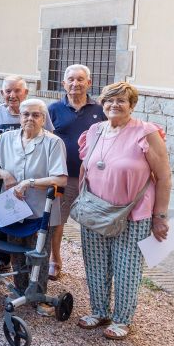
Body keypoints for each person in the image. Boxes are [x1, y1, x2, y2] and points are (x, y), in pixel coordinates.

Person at [76, 82, 170, 341]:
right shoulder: (94, 130)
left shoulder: (145, 133)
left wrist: (160, 216)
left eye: (121, 101)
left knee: (126, 267)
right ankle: (99, 310)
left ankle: (122, 319)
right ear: (102, 104)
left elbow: (163, 176)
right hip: (95, 210)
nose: (114, 105)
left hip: (133, 212)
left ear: (132, 105)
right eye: (109, 100)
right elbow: (86, 167)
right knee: (95, 264)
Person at [0, 99, 68, 314]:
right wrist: (4, 174)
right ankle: (21, 290)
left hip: (41, 209)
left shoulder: (53, 142)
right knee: (17, 251)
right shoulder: (6, 138)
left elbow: (60, 179)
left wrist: (30, 183)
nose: (30, 119)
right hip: (14, 207)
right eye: (26, 115)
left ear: (43, 118)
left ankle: (38, 296)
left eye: (35, 115)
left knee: (37, 253)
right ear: (19, 117)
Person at [0, 75, 54, 270]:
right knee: (5, 213)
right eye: (8, 91)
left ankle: (29, 258)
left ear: (25, 93)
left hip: (33, 175)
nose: (12, 95)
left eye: (17, 91)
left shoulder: (36, 111)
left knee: (31, 217)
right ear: (2, 93)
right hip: (5, 175)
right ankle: (2, 257)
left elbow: (49, 137)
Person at [48, 64, 106, 281]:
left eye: (80, 79)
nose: (75, 83)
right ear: (64, 83)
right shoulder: (53, 110)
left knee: (95, 222)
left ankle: (96, 267)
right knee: (57, 221)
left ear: (88, 83)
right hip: (65, 176)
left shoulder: (100, 110)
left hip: (94, 179)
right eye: (71, 79)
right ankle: (55, 261)